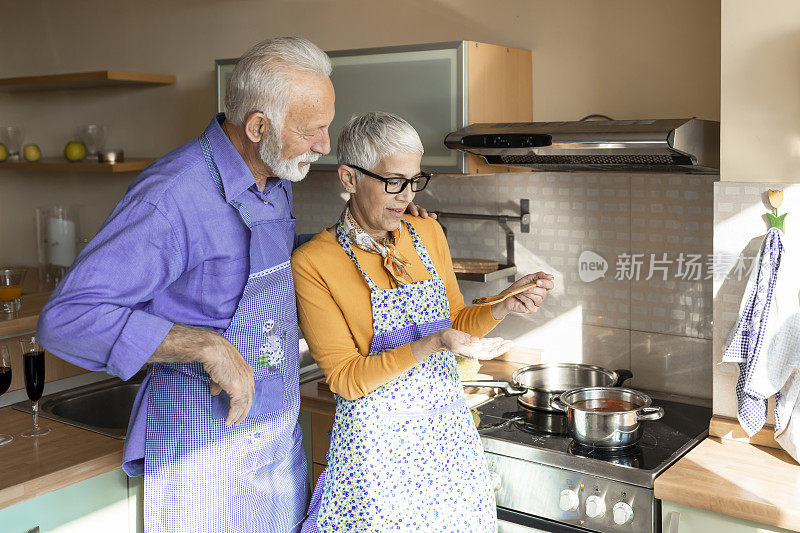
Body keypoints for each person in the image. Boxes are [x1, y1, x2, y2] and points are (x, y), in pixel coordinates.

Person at [36, 38, 429, 533]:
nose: (324, 146)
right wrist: (204, 345)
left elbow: (270, 264)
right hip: (203, 450)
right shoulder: (171, 197)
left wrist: (361, 232)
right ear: (258, 126)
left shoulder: (275, 175)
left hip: (273, 440)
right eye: (312, 131)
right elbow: (67, 317)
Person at [292, 111, 555, 532]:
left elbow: (455, 322)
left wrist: (504, 305)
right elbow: (345, 378)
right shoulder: (314, 262)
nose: (405, 195)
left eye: (415, 181)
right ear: (348, 178)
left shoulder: (428, 234)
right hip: (375, 462)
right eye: (393, 181)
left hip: (447, 444)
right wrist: (434, 343)